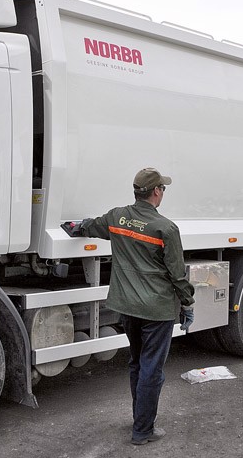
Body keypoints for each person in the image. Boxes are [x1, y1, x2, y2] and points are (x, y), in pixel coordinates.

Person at [61, 167, 195, 445]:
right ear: (156, 192)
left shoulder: (117, 217)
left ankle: (140, 420)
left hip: (127, 307)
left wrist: (73, 228)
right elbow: (177, 275)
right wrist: (188, 302)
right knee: (152, 369)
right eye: (163, 189)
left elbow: (89, 226)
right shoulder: (166, 229)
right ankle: (143, 430)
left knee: (137, 363)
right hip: (156, 310)